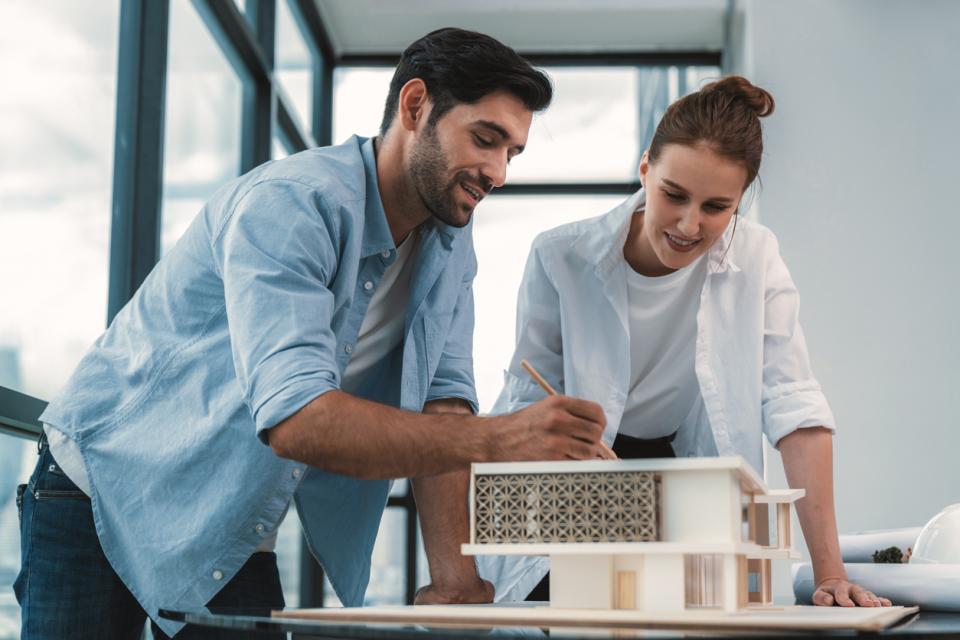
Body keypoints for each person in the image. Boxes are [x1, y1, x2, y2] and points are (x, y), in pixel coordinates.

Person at [15, 28, 610, 639]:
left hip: (227, 514)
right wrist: (501, 440)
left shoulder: (451, 245)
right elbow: (297, 417)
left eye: (512, 153)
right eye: (485, 140)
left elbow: (445, 403)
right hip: (105, 489)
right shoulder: (293, 204)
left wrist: (457, 584)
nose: (497, 172)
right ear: (415, 107)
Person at [478, 76, 892, 609]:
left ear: (740, 201)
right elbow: (528, 408)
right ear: (646, 167)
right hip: (580, 469)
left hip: (688, 472)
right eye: (674, 195)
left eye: (717, 207)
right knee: (575, 608)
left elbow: (795, 406)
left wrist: (829, 572)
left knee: (713, 608)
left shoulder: (756, 257)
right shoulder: (562, 257)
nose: (688, 225)